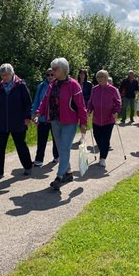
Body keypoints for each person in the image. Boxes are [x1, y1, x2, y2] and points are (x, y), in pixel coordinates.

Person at [35, 57, 87, 190]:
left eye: (55, 69)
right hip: (54, 120)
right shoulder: (53, 84)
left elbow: (81, 105)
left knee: (64, 148)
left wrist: (83, 123)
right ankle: (69, 173)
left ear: (63, 70)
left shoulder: (73, 85)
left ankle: (59, 176)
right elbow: (45, 100)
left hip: (69, 122)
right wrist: (38, 114)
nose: (52, 72)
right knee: (60, 148)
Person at [0, 63, 33, 180]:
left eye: (6, 75)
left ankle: (28, 166)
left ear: (12, 73)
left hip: (18, 121)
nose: (4, 78)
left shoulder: (21, 85)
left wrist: (27, 117)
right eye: (2, 75)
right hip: (2, 121)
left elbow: (28, 103)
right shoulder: (0, 87)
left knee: (20, 145)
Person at [87, 70, 121, 167]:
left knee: (105, 139)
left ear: (106, 78)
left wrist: (116, 111)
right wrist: (89, 109)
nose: (100, 78)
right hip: (96, 119)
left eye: (102, 76)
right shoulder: (94, 89)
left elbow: (118, 102)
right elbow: (90, 102)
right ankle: (103, 151)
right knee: (97, 136)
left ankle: (102, 158)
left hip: (109, 119)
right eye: (98, 77)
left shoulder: (113, 90)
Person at [31, 68, 59, 167]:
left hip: (55, 117)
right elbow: (36, 100)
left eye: (52, 74)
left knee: (56, 139)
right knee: (41, 139)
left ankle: (57, 156)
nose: (50, 77)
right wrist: (33, 114)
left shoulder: (59, 85)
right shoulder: (41, 86)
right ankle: (39, 159)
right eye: (48, 75)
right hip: (42, 117)